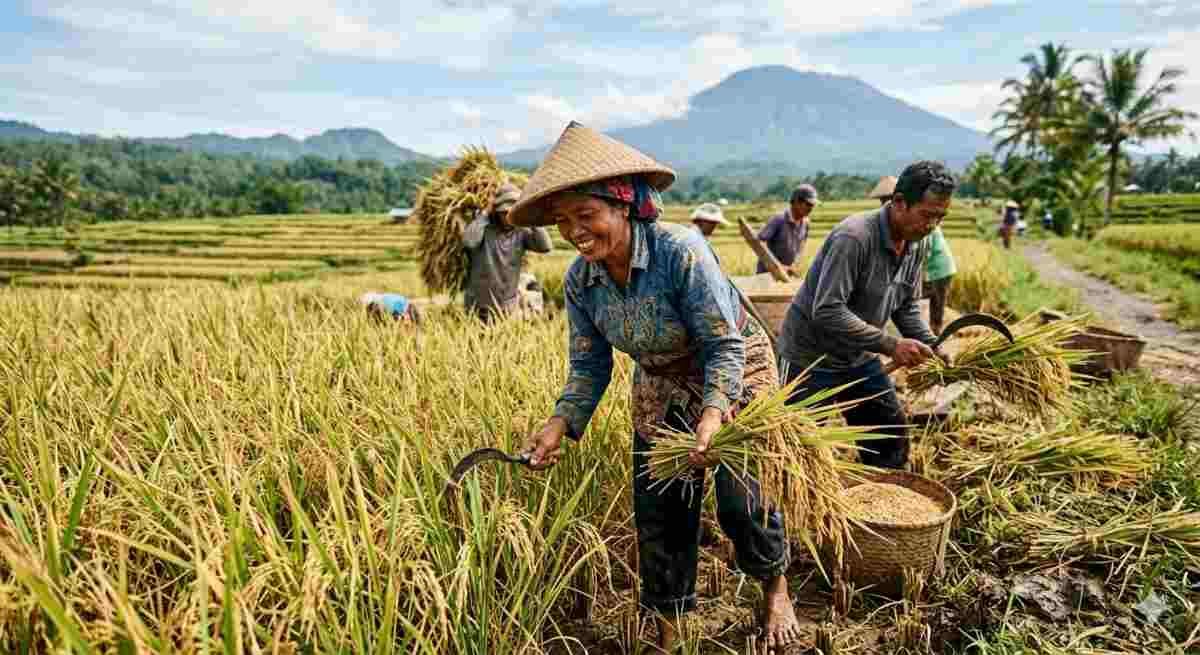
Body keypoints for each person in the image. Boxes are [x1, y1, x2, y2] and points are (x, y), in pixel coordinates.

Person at [512, 122, 799, 652]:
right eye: (563, 220)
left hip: (734, 367)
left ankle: (775, 585)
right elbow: (589, 366)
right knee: (660, 509)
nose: (574, 232)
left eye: (585, 215)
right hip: (660, 380)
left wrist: (713, 412)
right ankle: (670, 626)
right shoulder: (580, 281)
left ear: (623, 205)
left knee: (741, 501)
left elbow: (724, 344)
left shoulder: (680, 252)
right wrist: (559, 424)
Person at [779, 161, 955, 469]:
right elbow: (828, 310)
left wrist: (932, 343)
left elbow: (905, 306)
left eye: (940, 217)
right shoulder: (855, 237)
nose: (932, 225)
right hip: (811, 358)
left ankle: (881, 494)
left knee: (890, 437)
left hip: (859, 356)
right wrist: (891, 345)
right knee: (799, 454)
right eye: (927, 215)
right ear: (899, 202)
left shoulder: (918, 242)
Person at [871, 175, 956, 335]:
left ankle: (935, 338)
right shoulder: (863, 235)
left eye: (887, 199)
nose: (886, 204)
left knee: (935, 308)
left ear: (899, 201)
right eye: (883, 200)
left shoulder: (921, 227)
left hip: (939, 269)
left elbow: (924, 255)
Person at [462, 182, 554, 321]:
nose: (507, 217)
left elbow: (546, 246)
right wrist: (485, 214)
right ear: (496, 211)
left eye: (511, 212)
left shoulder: (521, 232)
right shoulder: (483, 229)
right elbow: (469, 242)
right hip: (478, 305)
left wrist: (529, 217)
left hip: (507, 305)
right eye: (504, 213)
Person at [756, 184, 817, 276]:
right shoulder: (779, 219)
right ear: (796, 202)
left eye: (813, 205)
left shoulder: (806, 223)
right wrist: (776, 266)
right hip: (766, 275)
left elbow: (801, 246)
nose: (811, 208)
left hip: (786, 276)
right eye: (808, 204)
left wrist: (794, 266)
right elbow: (759, 243)